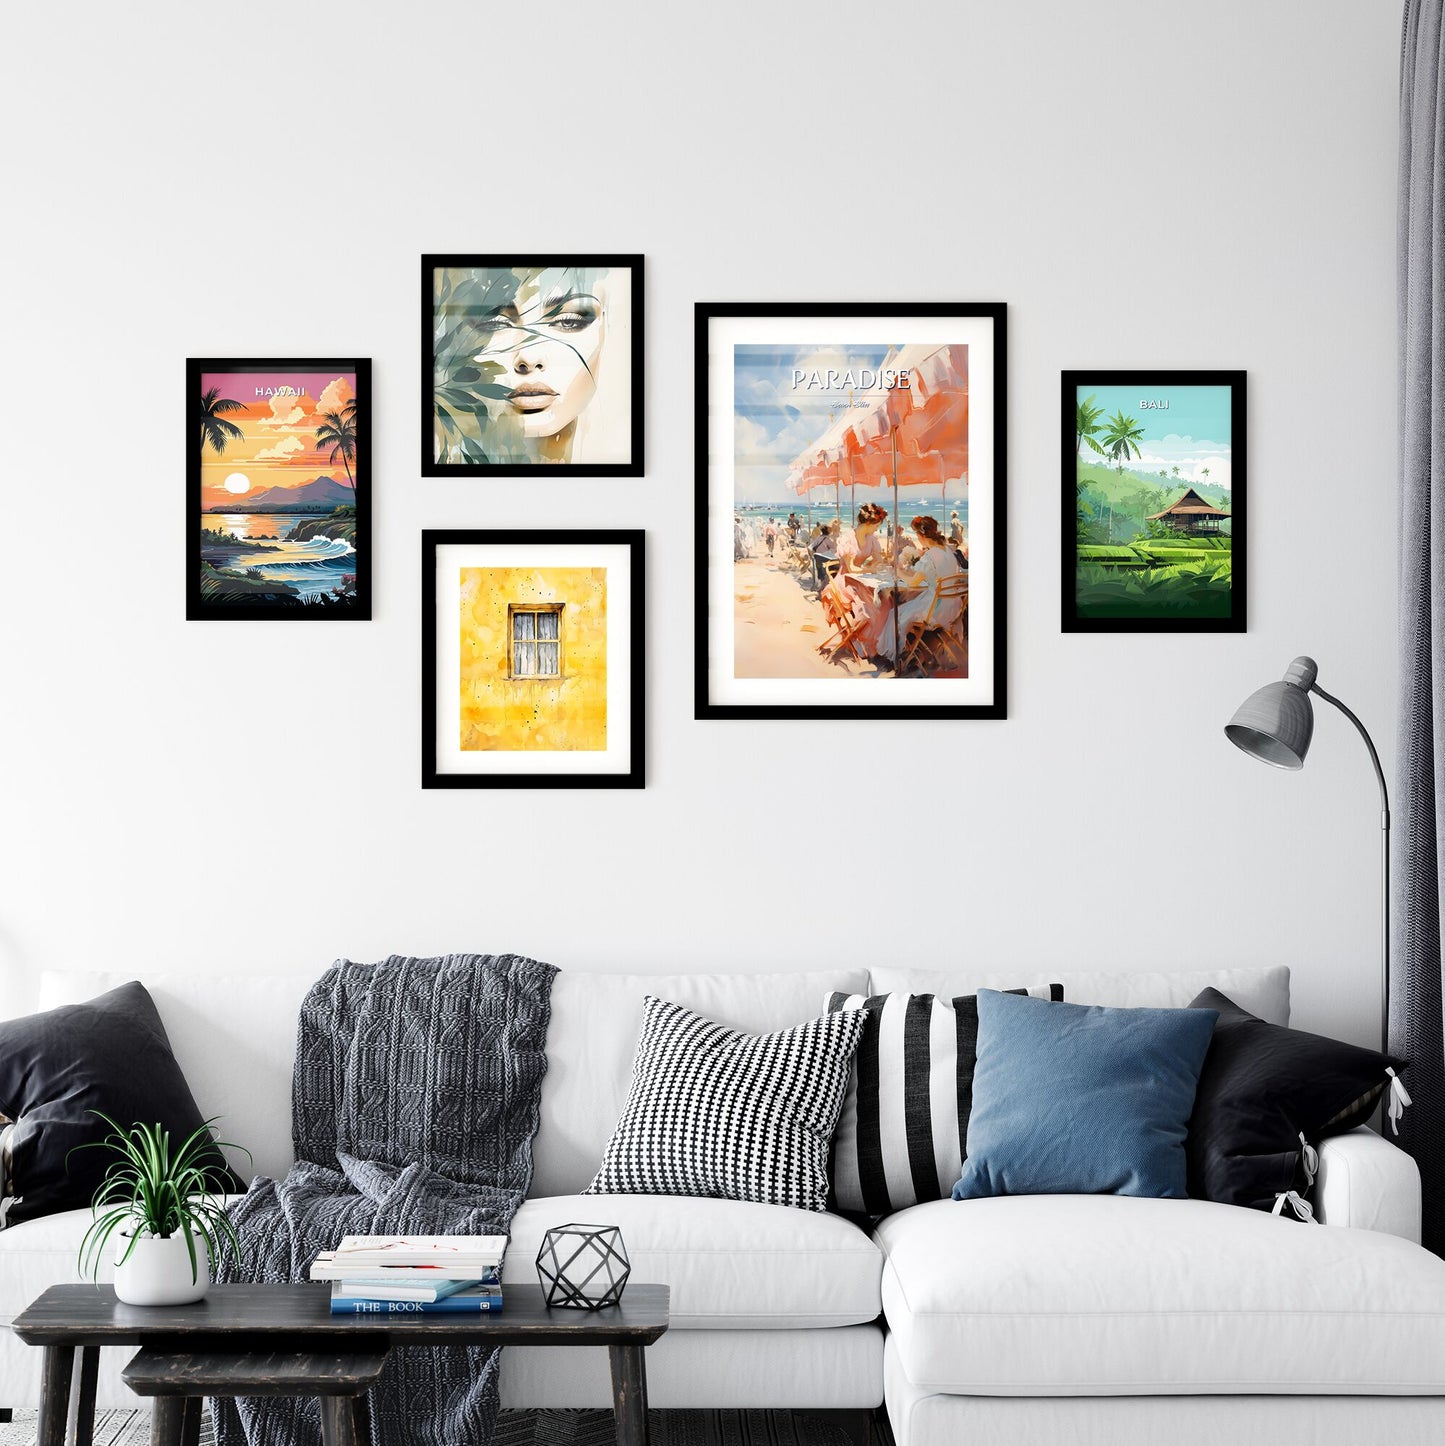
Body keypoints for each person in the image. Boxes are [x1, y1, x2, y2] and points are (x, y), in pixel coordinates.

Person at [878, 515, 965, 666]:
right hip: (953, 606)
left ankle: (897, 656)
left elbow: (912, 582)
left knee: (894, 613)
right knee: (908, 603)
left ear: (921, 535)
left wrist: (898, 571)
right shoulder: (947, 551)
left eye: (916, 534)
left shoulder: (929, 556)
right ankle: (910, 650)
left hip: (936, 610)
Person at [828, 502, 895, 653]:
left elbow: (878, 559)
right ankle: (861, 645)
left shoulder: (871, 538)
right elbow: (851, 568)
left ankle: (878, 645)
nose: (878, 528)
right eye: (877, 525)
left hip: (863, 579)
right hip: (846, 580)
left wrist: (876, 563)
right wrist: (869, 568)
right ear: (868, 523)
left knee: (886, 604)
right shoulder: (848, 539)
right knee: (867, 608)